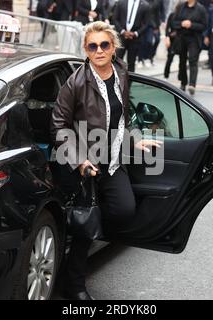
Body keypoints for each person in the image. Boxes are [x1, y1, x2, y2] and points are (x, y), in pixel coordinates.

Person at [50, 21, 162, 300]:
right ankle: (74, 285)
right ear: (86, 50)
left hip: (112, 160)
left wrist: (136, 139)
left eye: (104, 45)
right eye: (92, 46)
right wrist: (79, 161)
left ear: (113, 47)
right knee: (85, 226)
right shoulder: (75, 82)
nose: (99, 50)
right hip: (84, 165)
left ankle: (83, 234)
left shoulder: (121, 73)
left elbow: (124, 115)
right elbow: (59, 125)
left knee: (124, 210)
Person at [172, 0, 208, 95]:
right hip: (181, 38)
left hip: (194, 39)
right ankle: (183, 82)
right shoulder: (180, 7)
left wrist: (191, 25)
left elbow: (204, 25)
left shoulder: (201, 9)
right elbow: (174, 22)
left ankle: (192, 84)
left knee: (193, 60)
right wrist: (182, 24)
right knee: (182, 61)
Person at [113, 0, 151, 72]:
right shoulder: (121, 2)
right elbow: (115, 19)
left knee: (131, 63)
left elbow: (146, 23)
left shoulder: (145, 5)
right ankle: (115, 80)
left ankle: (129, 82)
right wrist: (123, 32)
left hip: (135, 39)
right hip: (121, 37)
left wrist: (136, 33)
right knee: (117, 61)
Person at [164, 1, 181, 79]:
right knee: (170, 57)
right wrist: (167, 37)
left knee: (182, 58)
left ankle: (180, 75)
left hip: (181, 40)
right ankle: (166, 74)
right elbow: (167, 28)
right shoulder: (172, 15)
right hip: (172, 39)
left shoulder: (184, 17)